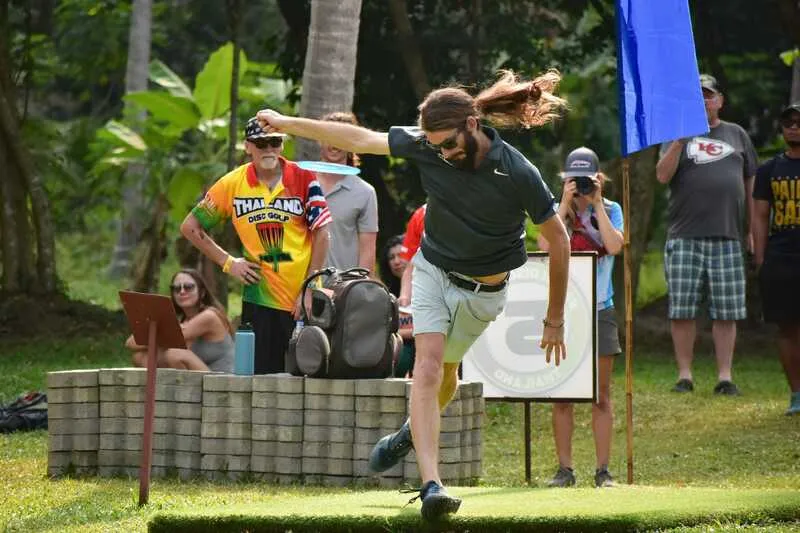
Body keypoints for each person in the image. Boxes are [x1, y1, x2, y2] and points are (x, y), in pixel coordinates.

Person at [256, 68, 570, 520]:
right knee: (425, 367)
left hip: (484, 292)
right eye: (435, 145)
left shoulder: (516, 171)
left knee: (445, 374)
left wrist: (554, 318)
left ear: (473, 125)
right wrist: (288, 123)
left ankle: (408, 433)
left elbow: (557, 241)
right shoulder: (427, 144)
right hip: (432, 270)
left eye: (448, 144)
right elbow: (360, 138)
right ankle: (431, 486)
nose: (441, 152)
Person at [180, 117, 331, 375]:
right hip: (259, 298)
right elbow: (190, 227)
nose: (269, 149)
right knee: (261, 377)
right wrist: (229, 263)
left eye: (275, 142)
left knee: (308, 375)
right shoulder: (232, 184)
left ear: (282, 145)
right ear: (248, 146)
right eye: (261, 144)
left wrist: (310, 287)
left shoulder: (303, 178)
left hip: (301, 300)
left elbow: (323, 232)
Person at [656, 74, 758, 395]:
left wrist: (752, 232)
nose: (703, 101)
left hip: (728, 236)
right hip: (684, 235)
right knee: (682, 308)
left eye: (708, 95)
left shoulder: (737, 134)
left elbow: (750, 187)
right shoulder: (675, 134)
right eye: (696, 96)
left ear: (719, 101)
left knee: (727, 310)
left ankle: (725, 377)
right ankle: (684, 375)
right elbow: (661, 176)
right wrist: (678, 142)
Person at [537, 147, 624, 488]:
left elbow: (615, 247)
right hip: (566, 310)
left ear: (599, 178)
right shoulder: (557, 212)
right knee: (563, 394)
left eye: (587, 179)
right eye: (576, 180)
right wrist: (563, 203)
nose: (582, 186)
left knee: (601, 395)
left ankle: (603, 471)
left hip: (600, 308)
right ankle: (565, 469)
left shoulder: (612, 209)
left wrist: (598, 203)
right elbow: (545, 247)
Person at [752, 102, 800, 415]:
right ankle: (796, 393)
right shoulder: (769, 170)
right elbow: (759, 216)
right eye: (788, 123)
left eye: (798, 122)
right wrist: (760, 259)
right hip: (781, 256)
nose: (793, 127)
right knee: (787, 328)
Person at [126, 269, 234, 373]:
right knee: (141, 357)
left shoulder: (209, 316)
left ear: (202, 292)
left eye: (188, 287)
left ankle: (180, 391)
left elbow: (173, 338)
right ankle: (158, 390)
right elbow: (131, 343)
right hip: (201, 377)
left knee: (175, 354)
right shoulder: (181, 319)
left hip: (221, 381)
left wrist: (159, 334)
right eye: (177, 288)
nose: (182, 291)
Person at [317, 111, 379, 273]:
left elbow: (368, 250)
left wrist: (359, 289)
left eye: (341, 138)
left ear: (352, 143)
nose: (335, 144)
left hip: (343, 290)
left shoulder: (365, 192)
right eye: (330, 136)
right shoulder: (301, 183)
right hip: (300, 286)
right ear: (319, 139)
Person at [378, 234, 414, 377]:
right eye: (391, 258)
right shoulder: (383, 292)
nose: (396, 261)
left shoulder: (426, 289)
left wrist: (400, 333)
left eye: (400, 255)